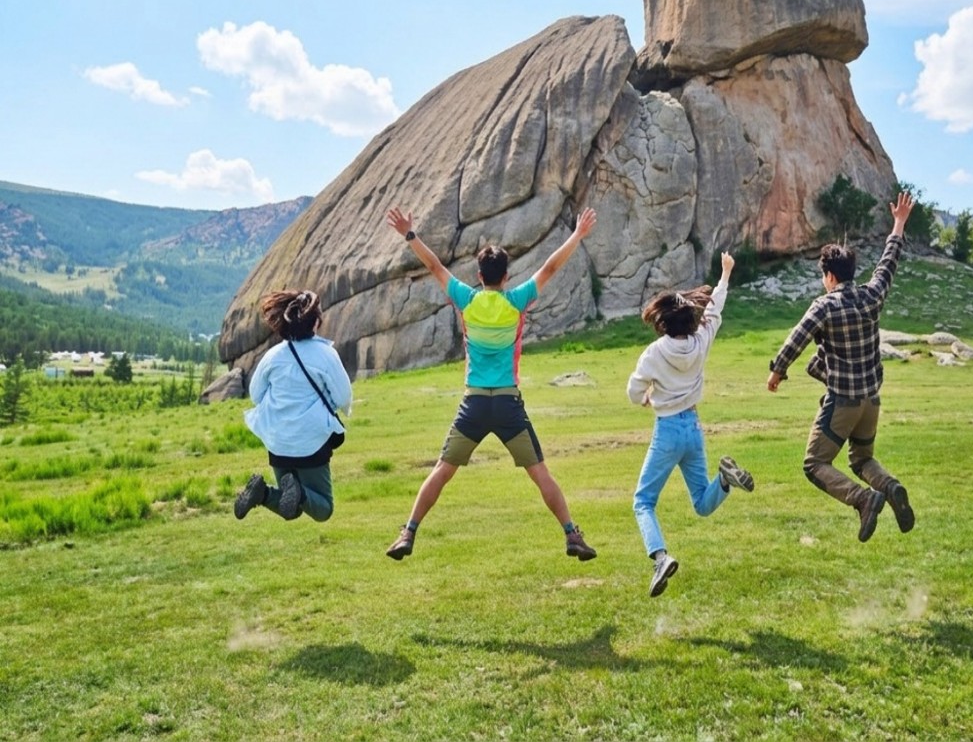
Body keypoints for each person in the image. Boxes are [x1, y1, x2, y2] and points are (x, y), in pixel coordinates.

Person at [383, 205, 599, 562]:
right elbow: (550, 268)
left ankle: (408, 532)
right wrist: (576, 235)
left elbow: (435, 267)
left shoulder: (466, 300)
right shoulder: (516, 301)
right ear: (506, 276)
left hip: (474, 405)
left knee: (442, 471)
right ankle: (571, 535)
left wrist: (410, 234)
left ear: (479, 276)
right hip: (508, 405)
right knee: (540, 472)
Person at [766, 191, 916, 543]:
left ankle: (864, 500)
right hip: (871, 402)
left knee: (814, 464)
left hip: (844, 402)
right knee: (862, 459)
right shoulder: (871, 294)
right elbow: (887, 263)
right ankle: (891, 488)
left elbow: (796, 339)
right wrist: (898, 223)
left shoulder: (824, 306)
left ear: (830, 276)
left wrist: (777, 371)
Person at [626, 252, 755, 597]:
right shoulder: (701, 342)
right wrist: (726, 273)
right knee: (701, 502)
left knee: (643, 501)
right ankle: (725, 480)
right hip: (694, 429)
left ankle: (660, 557)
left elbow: (633, 389)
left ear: (663, 323)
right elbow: (716, 308)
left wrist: (647, 397)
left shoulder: (654, 353)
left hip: (667, 431)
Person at [234, 289, 352, 523]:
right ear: (316, 322)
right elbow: (343, 397)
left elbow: (255, 395)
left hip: (278, 444)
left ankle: (263, 492)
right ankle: (295, 492)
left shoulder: (273, 356)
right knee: (323, 509)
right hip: (312, 443)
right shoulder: (326, 355)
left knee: (291, 507)